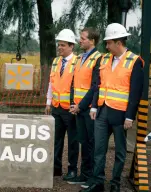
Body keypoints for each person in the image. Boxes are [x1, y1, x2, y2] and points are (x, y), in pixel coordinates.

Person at [81, 23, 144, 192]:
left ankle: (115, 184)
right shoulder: (104, 59)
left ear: (118, 43)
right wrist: (93, 106)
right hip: (102, 111)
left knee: (120, 153)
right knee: (98, 149)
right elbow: (98, 85)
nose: (106, 46)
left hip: (121, 115)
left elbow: (135, 92)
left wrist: (130, 116)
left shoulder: (135, 61)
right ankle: (97, 183)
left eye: (109, 43)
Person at [67, 28, 101, 187]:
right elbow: (75, 83)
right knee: (84, 142)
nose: (80, 40)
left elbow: (94, 87)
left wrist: (80, 106)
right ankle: (85, 174)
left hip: (88, 109)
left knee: (91, 143)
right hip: (79, 108)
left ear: (92, 41)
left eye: (83, 38)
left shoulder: (98, 58)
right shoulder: (80, 58)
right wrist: (74, 104)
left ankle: (92, 177)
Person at [44, 29, 79, 181]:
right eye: (59, 45)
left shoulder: (77, 62)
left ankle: (72, 170)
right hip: (57, 107)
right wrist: (48, 102)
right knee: (56, 140)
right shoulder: (56, 61)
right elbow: (51, 83)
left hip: (71, 109)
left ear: (72, 46)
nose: (60, 48)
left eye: (63, 45)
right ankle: (56, 168)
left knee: (73, 141)